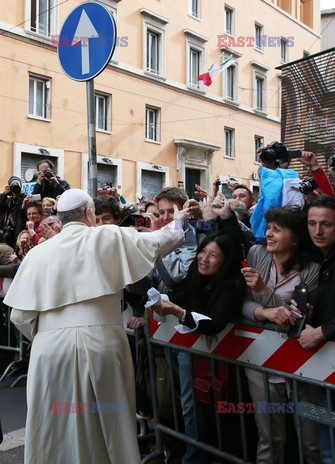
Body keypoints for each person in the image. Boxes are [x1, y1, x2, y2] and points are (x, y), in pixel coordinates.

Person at [4, 188, 185, 464]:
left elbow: (19, 317)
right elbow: (161, 241)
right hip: (103, 344)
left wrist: (48, 337)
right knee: (110, 425)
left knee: (55, 426)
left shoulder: (37, 254)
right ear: (89, 214)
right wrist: (180, 219)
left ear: (60, 218)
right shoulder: (106, 235)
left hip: (48, 351)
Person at [150, 227, 247, 464]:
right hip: (186, 351)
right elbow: (178, 295)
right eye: (203, 251)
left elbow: (214, 322)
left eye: (213, 256)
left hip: (214, 363)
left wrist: (177, 312)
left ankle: (196, 458)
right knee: (189, 408)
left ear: (226, 260)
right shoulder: (196, 274)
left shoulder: (231, 283)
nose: (204, 258)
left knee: (196, 410)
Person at [241, 206, 322, 464]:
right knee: (269, 438)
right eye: (269, 228)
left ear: (296, 237)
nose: (269, 234)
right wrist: (263, 312)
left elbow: (294, 320)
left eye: (278, 229)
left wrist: (264, 292)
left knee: (310, 440)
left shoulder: (311, 269)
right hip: (260, 362)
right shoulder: (256, 253)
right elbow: (241, 304)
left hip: (300, 362)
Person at [295, 196, 335, 464]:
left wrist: (322, 330)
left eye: (326, 224)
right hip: (327, 363)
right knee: (328, 430)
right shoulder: (323, 256)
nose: (318, 231)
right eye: (312, 223)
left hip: (334, 355)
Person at [0, 176, 27, 247]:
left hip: (19, 231)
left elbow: (22, 209)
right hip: (7, 232)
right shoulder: (7, 200)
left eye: (17, 185)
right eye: (13, 185)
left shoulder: (24, 198)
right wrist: (4, 194)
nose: (15, 188)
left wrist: (22, 195)